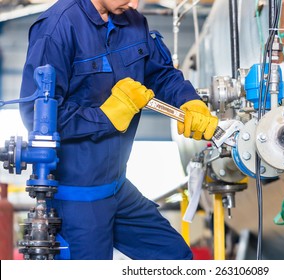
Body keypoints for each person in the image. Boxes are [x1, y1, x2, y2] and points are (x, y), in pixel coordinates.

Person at [19, 0, 218, 260]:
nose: (135, 3)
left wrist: (189, 101)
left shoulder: (133, 21)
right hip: (76, 199)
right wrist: (106, 116)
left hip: (118, 188)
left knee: (177, 259)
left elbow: (161, 74)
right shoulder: (57, 28)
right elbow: (35, 115)